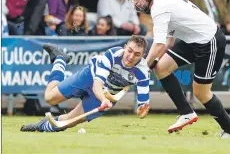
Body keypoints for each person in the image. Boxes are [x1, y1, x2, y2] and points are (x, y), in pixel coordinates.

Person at [128, 0, 230, 138]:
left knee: (201, 92)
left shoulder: (159, 8)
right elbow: (168, 42)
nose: (136, 3)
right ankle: (186, 113)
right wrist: (152, 63)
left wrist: (143, 67)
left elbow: (159, 45)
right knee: (162, 68)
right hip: (191, 40)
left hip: (209, 41)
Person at [20, 35, 150, 132]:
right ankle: (60, 59)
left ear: (143, 55)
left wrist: (141, 112)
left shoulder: (143, 72)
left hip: (107, 95)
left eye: (137, 54)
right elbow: (97, 84)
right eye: (130, 51)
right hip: (90, 77)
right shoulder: (112, 54)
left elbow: (142, 107)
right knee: (49, 98)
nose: (131, 57)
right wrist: (103, 99)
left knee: (69, 122)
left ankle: (40, 126)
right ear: (125, 47)